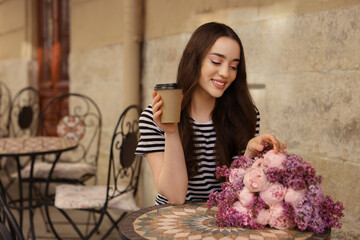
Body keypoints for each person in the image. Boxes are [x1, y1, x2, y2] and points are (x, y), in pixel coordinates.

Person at [135, 22, 286, 206]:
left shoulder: (245, 114)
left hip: (224, 219)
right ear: (195, 60)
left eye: (233, 66)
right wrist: (171, 132)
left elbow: (238, 191)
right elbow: (175, 197)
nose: (225, 73)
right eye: (216, 61)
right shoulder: (156, 116)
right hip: (171, 221)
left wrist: (249, 153)